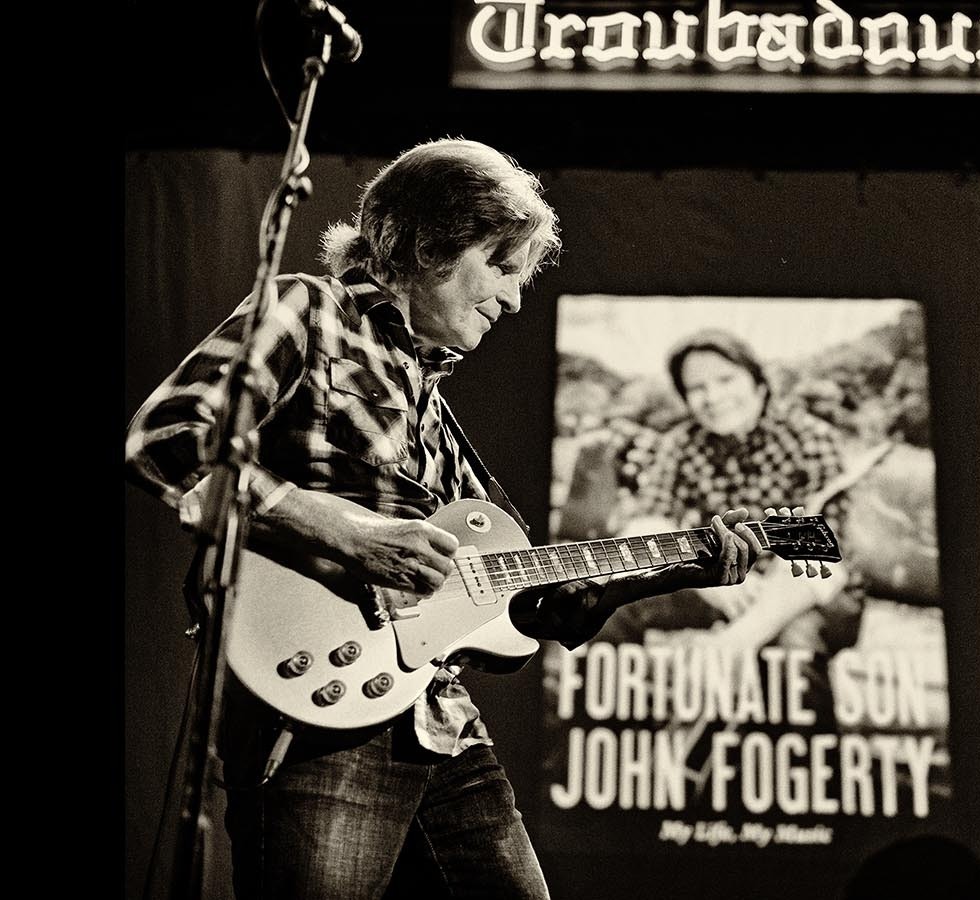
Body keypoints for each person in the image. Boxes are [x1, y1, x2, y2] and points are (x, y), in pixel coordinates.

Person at [124, 138, 778, 900]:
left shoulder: (439, 419)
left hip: (439, 719)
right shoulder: (308, 310)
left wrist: (684, 565)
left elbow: (541, 605)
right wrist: (350, 536)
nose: (515, 298)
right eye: (501, 266)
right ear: (430, 242)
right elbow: (168, 443)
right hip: (315, 714)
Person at [596, 329, 862, 737]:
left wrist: (736, 640)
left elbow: (824, 550)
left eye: (725, 380)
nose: (713, 397)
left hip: (802, 589)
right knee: (607, 609)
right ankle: (621, 750)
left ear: (758, 382)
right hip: (714, 581)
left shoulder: (810, 438)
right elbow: (643, 525)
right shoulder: (680, 444)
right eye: (697, 388)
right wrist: (711, 580)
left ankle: (813, 778)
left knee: (793, 653)